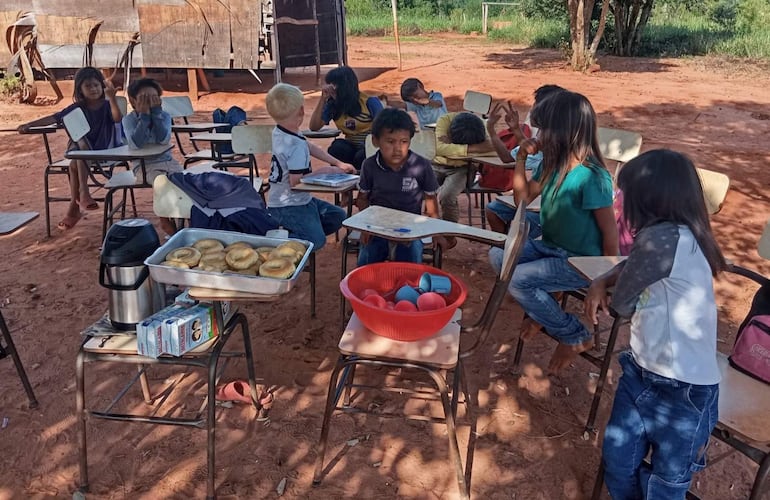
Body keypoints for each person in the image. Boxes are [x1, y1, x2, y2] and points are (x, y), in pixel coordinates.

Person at [585, 149, 726, 499]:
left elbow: (621, 306)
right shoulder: (680, 234)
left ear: (650, 198)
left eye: (626, 193)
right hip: (642, 371)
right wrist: (604, 278)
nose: (620, 201)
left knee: (654, 479)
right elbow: (631, 266)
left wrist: (604, 286)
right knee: (634, 467)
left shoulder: (659, 240)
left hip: (682, 391)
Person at [488, 90, 619, 373]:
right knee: (499, 257)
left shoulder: (592, 177)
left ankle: (574, 335)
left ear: (564, 132)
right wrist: (521, 157)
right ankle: (544, 312)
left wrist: (606, 277)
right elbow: (522, 200)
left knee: (519, 280)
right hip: (550, 247)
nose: (537, 134)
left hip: (580, 261)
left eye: (543, 128)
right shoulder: (552, 163)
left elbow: (610, 233)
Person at [18, 66, 123, 230]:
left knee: (76, 159)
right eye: (88, 86)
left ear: (102, 86)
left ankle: (77, 203)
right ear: (80, 89)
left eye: (96, 85)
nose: (94, 89)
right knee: (79, 144)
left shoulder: (107, 104)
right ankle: (82, 194)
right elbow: (54, 118)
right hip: (79, 150)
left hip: (104, 151)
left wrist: (112, 99)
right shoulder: (78, 108)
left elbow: (117, 119)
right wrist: (30, 124)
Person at [265, 83, 356, 250]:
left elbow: (309, 146)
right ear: (301, 111)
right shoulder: (295, 146)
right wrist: (325, 172)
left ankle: (299, 231)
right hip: (289, 206)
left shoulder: (282, 130)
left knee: (337, 216)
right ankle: (276, 242)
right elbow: (297, 183)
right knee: (316, 240)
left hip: (294, 201)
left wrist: (337, 162)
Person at [356, 108, 440, 265]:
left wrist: (436, 232)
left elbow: (431, 200)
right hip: (377, 226)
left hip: (410, 227)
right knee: (366, 260)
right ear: (375, 141)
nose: (397, 148)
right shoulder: (369, 165)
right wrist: (366, 227)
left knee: (411, 261)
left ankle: (407, 287)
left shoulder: (421, 166)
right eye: (390, 141)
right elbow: (362, 200)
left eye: (404, 141)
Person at [484, 84, 565, 235]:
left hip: (548, 207)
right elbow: (511, 157)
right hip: (534, 195)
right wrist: (504, 130)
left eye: (535, 106)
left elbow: (518, 155)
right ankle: (505, 248)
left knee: (523, 222)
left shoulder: (556, 146)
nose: (532, 110)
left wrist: (516, 134)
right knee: (494, 210)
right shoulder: (543, 138)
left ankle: (511, 251)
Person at [122, 78, 183, 235]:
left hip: (168, 161)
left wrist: (156, 116)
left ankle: (183, 219)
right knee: (161, 182)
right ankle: (164, 219)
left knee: (182, 182)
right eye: (144, 98)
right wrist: (144, 117)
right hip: (143, 166)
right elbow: (136, 144)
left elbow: (163, 139)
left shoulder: (165, 116)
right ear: (133, 101)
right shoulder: (129, 120)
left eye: (153, 98)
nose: (149, 102)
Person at [433, 111, 495, 248]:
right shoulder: (444, 120)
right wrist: (474, 148)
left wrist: (453, 147)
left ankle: (449, 237)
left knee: (447, 195)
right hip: (436, 165)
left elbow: (493, 149)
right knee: (415, 189)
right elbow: (438, 148)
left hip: (463, 169)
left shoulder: (483, 127)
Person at [308, 66, 384, 170]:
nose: (331, 89)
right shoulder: (332, 105)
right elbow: (314, 127)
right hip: (351, 145)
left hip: (370, 145)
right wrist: (322, 99)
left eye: (334, 85)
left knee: (361, 156)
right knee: (337, 148)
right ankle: (343, 177)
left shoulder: (368, 102)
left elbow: (383, 127)